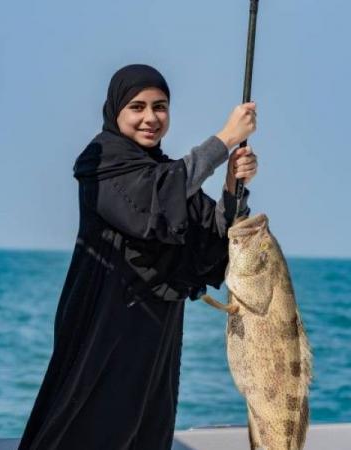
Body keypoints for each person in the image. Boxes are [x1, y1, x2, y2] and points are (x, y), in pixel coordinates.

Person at [18, 64, 258, 450]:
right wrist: (225, 139)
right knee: (91, 426)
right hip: (106, 325)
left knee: (147, 427)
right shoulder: (100, 163)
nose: (150, 118)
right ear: (116, 111)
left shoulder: (166, 172)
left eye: (160, 107)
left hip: (157, 330)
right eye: (137, 107)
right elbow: (154, 203)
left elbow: (212, 242)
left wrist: (232, 187)